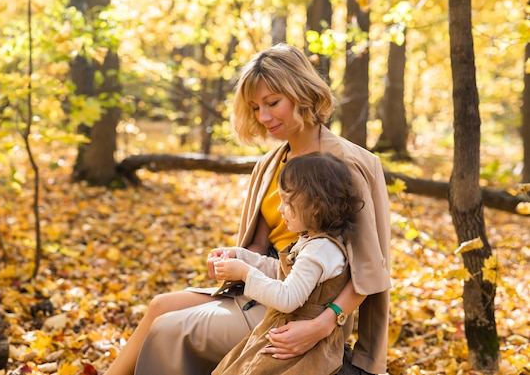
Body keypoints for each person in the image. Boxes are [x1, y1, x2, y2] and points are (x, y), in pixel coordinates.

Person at [104, 43, 391, 375]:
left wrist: (324, 324)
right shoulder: (270, 164)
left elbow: (370, 270)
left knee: (170, 329)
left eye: (272, 103)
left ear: (302, 94)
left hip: (301, 309)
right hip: (262, 288)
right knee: (160, 307)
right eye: (255, 107)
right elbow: (259, 246)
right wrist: (234, 259)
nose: (264, 117)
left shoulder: (345, 163)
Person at [211, 152, 364, 375]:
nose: (280, 209)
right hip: (281, 330)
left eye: (287, 201)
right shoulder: (311, 239)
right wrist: (241, 256)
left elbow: (288, 298)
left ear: (316, 207)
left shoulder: (320, 250)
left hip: (300, 346)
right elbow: (281, 271)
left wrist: (245, 273)